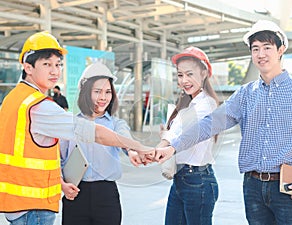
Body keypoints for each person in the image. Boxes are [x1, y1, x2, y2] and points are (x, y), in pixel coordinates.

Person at [155, 20, 292, 225]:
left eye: (267, 47)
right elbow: (210, 124)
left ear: (281, 49)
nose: (261, 54)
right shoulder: (245, 94)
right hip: (253, 187)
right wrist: (173, 146)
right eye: (255, 49)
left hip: (289, 187)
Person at [0, 31, 153, 225]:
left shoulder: (13, 99)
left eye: (58, 65)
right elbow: (95, 133)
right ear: (28, 67)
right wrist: (140, 146)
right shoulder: (39, 106)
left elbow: (41, 156)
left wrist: (132, 149)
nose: (55, 71)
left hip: (20, 203)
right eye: (47, 64)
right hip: (34, 205)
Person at [60, 62, 141, 225]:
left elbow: (125, 140)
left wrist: (133, 152)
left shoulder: (116, 124)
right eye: (97, 92)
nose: (103, 97)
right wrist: (62, 184)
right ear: (85, 92)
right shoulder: (69, 123)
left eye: (107, 92)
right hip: (75, 194)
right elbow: (59, 159)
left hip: (106, 196)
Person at [156, 46, 219, 225]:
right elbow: (173, 133)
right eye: (180, 74)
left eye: (189, 74)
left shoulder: (207, 104)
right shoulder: (186, 104)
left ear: (204, 73)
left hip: (198, 180)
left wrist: (158, 148)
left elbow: (182, 133)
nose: (184, 80)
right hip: (180, 178)